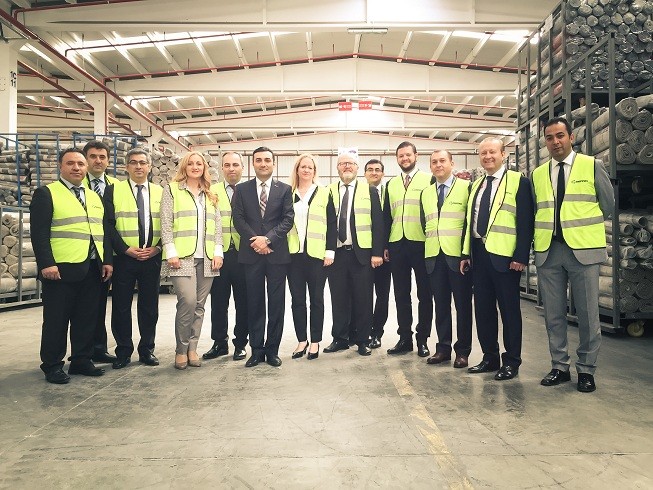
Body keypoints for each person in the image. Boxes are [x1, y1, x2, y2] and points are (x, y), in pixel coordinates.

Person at [532, 117, 614, 393]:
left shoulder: (592, 166)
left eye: (560, 136)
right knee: (553, 315)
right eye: (549, 137)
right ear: (545, 141)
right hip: (549, 251)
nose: (555, 142)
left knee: (589, 315)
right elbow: (536, 209)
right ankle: (559, 366)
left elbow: (608, 205)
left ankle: (587, 370)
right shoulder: (538, 173)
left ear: (570, 137)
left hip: (583, 251)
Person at [30, 148, 113, 384]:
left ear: (86, 167)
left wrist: (106, 260)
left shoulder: (94, 196)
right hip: (60, 269)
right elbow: (39, 233)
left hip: (91, 267)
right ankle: (53, 365)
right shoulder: (47, 193)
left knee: (86, 318)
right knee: (57, 320)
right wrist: (47, 264)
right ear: (60, 166)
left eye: (80, 164)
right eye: (70, 163)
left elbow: (102, 231)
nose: (76, 168)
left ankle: (81, 360)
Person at [461, 137, 534, 381]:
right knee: (483, 310)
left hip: (505, 257)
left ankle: (511, 361)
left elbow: (525, 222)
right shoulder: (477, 185)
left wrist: (521, 255)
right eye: (483, 153)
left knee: (509, 310)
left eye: (492, 152)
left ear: (503, 154)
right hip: (479, 256)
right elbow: (469, 223)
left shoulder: (518, 182)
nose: (487, 157)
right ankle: (490, 357)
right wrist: (465, 254)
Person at [231, 146, 294, 368]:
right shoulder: (242, 189)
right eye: (259, 160)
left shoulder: (284, 189)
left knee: (276, 303)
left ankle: (272, 350)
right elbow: (238, 219)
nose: (263, 163)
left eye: (267, 160)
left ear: (273, 163)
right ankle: (256, 350)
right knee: (254, 302)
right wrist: (256, 241)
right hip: (252, 255)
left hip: (276, 254)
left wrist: (267, 240)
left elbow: (288, 219)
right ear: (253, 164)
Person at [160, 151, 223, 370]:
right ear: (184, 167)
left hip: (207, 258)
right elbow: (166, 224)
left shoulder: (210, 194)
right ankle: (180, 349)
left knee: (199, 306)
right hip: (182, 257)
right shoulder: (172, 190)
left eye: (199, 164)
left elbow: (217, 227)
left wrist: (218, 252)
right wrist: (170, 252)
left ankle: (192, 349)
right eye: (191, 164)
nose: (195, 167)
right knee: (186, 302)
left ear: (205, 168)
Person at [104, 148, 162, 369]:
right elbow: (108, 225)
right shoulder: (113, 190)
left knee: (149, 307)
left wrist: (157, 248)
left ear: (149, 166)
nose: (139, 166)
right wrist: (124, 249)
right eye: (134, 162)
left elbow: (169, 224)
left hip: (151, 257)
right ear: (126, 166)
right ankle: (123, 351)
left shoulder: (160, 191)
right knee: (120, 306)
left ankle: (147, 349)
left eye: (143, 162)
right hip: (124, 258)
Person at [323, 150, 384, 356]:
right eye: (342, 164)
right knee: (338, 298)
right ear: (337, 168)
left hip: (362, 255)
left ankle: (362, 340)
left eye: (350, 163)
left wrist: (376, 253)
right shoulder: (329, 190)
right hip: (337, 254)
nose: (347, 167)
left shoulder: (370, 190)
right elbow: (328, 223)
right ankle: (340, 338)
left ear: (357, 168)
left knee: (363, 298)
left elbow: (378, 223)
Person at [420, 150, 473, 368]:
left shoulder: (466, 188)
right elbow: (426, 223)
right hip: (434, 255)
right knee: (440, 305)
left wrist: (466, 253)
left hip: (457, 256)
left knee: (462, 306)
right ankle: (443, 348)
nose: (438, 165)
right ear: (430, 166)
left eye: (442, 161)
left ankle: (463, 351)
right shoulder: (426, 192)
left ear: (452, 163)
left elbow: (470, 223)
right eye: (434, 162)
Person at [384, 142, 433, 357]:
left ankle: (422, 339)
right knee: (401, 294)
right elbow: (387, 216)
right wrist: (386, 245)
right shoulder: (391, 184)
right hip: (397, 244)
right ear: (397, 159)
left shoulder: (428, 179)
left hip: (421, 243)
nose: (404, 159)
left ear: (416, 156)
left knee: (425, 294)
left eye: (408, 155)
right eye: (400, 156)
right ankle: (404, 338)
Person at [287, 154, 337, 360]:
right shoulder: (287, 194)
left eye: (310, 167)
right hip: (293, 256)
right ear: (297, 169)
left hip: (317, 256)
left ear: (315, 171)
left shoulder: (324, 193)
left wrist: (330, 251)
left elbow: (332, 224)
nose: (306, 170)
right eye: (303, 166)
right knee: (297, 300)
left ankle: (315, 340)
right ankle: (302, 340)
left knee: (316, 299)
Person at [204, 152, 249, 362]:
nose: (232, 169)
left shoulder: (250, 191)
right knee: (219, 302)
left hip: (244, 255)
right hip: (219, 255)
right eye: (227, 165)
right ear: (222, 168)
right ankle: (219, 343)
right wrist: (214, 250)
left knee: (244, 302)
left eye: (236, 165)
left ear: (242, 167)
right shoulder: (211, 191)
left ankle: (240, 344)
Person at [82, 140, 119, 364]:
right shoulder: (76, 184)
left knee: (99, 304)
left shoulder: (115, 186)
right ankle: (82, 350)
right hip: (82, 254)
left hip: (108, 254)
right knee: (81, 308)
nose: (98, 161)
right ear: (86, 159)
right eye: (93, 156)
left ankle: (98, 348)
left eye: (102, 157)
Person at [364, 159, 391, 349]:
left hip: (387, 253)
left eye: (378, 170)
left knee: (382, 294)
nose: (374, 173)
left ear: (383, 173)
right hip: (364, 253)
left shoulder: (389, 193)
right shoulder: (359, 193)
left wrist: (384, 249)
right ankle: (360, 330)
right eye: (370, 170)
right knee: (362, 294)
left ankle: (376, 332)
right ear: (364, 173)